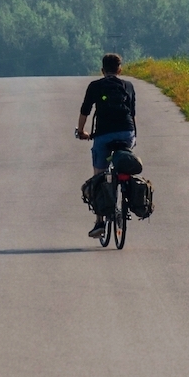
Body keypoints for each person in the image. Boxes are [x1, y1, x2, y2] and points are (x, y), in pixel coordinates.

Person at [76, 53, 136, 238]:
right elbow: (132, 114)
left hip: (103, 135)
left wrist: (81, 132)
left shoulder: (95, 86)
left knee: (99, 176)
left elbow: (85, 110)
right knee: (123, 161)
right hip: (127, 133)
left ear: (102, 70)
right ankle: (125, 186)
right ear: (120, 70)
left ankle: (99, 222)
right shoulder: (128, 86)